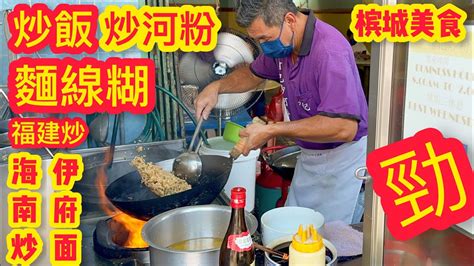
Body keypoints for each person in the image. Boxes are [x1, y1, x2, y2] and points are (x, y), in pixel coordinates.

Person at [194, 0, 368, 224]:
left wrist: (271, 130)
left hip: (343, 163)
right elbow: (253, 74)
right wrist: (216, 87)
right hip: (310, 159)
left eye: (264, 39)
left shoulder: (329, 51)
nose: (262, 46)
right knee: (294, 232)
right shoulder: (283, 44)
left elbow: (344, 127)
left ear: (289, 20)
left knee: (328, 242)